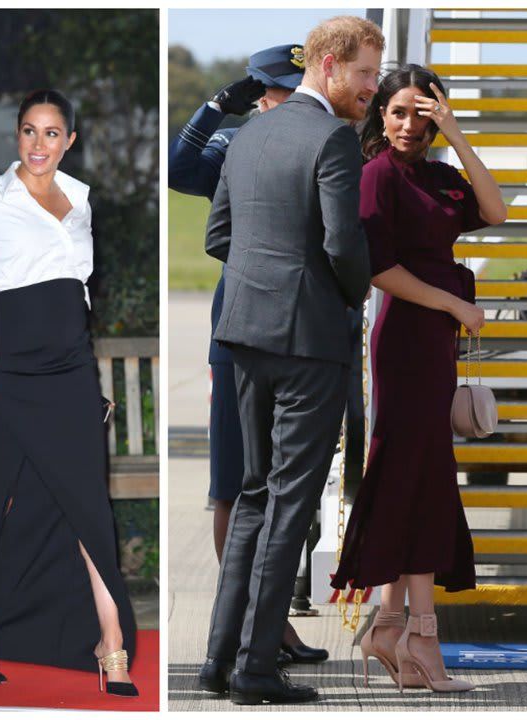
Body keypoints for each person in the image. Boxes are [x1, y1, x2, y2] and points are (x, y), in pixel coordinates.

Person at [197, 15, 381, 705]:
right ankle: (253, 671)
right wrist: (353, 291)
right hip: (308, 341)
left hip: (244, 334)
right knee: (288, 505)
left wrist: (265, 279)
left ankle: (219, 662)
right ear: (329, 65)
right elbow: (342, 245)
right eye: (364, 74)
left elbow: (219, 234)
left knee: (251, 496)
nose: (371, 87)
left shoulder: (250, 132)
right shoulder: (333, 136)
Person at [0, 90, 138, 697]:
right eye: (29, 131)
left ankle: (110, 641)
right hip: (3, 371)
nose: (39, 145)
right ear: (17, 137)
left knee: (89, 509)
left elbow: (81, 292)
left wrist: (91, 382)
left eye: (52, 134)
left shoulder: (81, 200)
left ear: (69, 141)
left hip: (67, 369)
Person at [329, 64, 505, 693]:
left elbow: (496, 209)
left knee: (415, 477)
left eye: (422, 113)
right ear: (380, 115)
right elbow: (378, 269)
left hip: (437, 342)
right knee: (422, 476)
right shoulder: (375, 175)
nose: (409, 125)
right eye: (398, 111)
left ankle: (391, 624)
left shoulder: (439, 174)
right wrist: (455, 305)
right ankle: (421, 638)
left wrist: (456, 135)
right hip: (406, 336)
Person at [168, 43, 329, 667]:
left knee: (288, 483)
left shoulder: (325, 137)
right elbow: (180, 171)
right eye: (282, 91)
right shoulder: (238, 144)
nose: (294, 101)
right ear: (260, 94)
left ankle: (269, 624)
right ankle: (244, 626)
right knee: (235, 482)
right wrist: (213, 109)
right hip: (240, 331)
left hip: (305, 330)